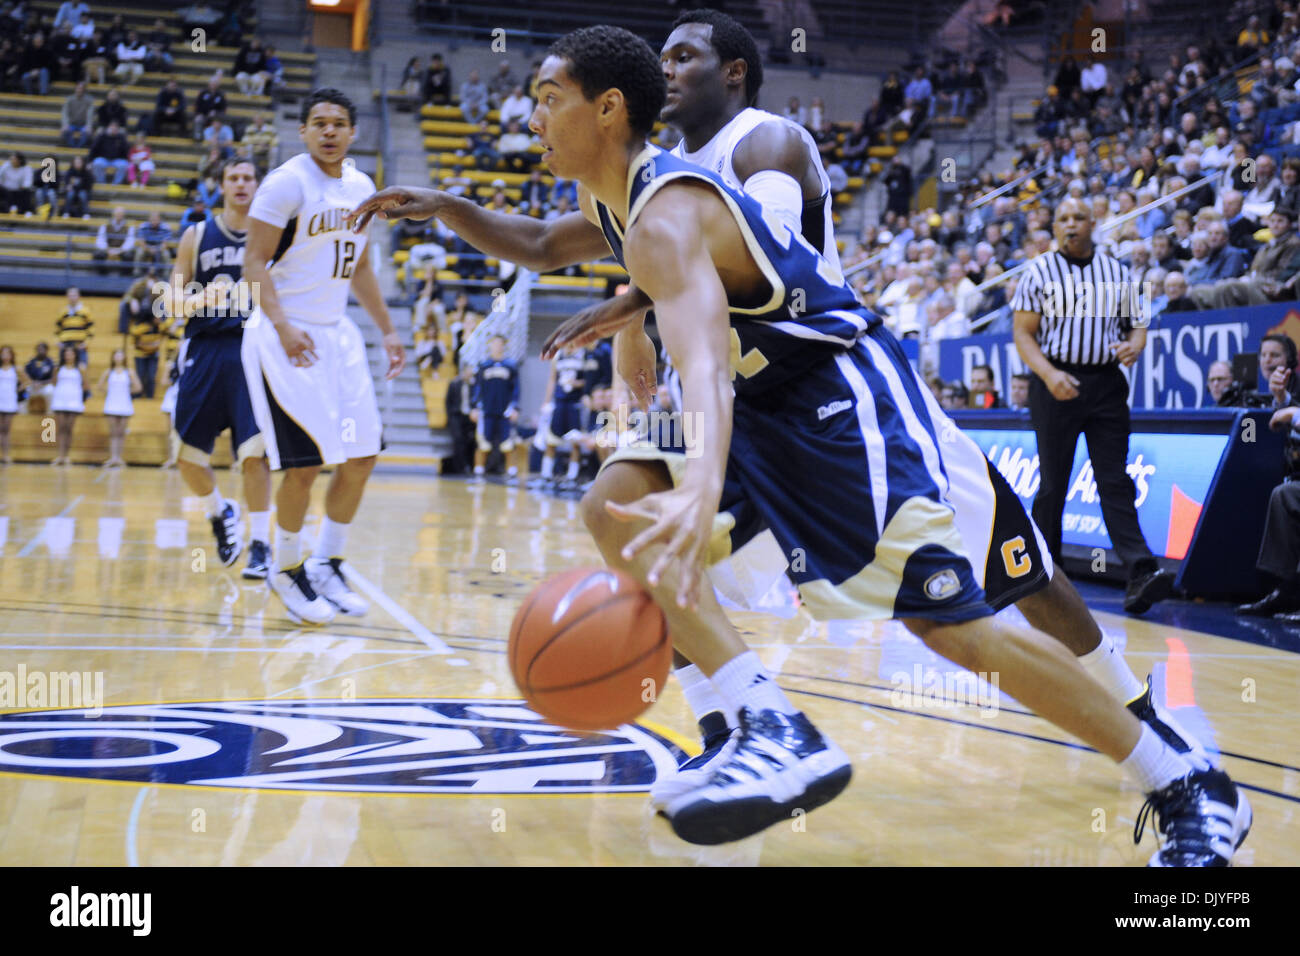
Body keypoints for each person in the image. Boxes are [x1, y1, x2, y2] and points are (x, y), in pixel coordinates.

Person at [349, 24, 1247, 864]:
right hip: (758, 394)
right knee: (613, 503)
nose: (530, 116)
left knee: (951, 625)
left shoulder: (671, 209)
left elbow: (700, 364)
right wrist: (448, 206)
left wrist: (700, 483)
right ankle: (758, 722)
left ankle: (1185, 779)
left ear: (608, 109)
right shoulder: (615, 192)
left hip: (831, 394)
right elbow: (543, 243)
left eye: (547, 97)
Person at [242, 89, 406, 623]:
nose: (329, 131)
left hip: (339, 334)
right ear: (303, 131)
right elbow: (254, 262)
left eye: (339, 123)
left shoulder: (362, 188)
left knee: (362, 456)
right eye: (319, 123)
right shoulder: (286, 183)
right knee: (306, 463)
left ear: (353, 132)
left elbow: (359, 269)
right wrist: (284, 326)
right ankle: (285, 568)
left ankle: (326, 563)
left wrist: (387, 331)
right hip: (284, 333)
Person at [1012, 197, 1176, 614]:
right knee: (1053, 483)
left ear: (1093, 223)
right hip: (1055, 381)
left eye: (1078, 218)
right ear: (1055, 226)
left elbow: (1138, 323)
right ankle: (1046, 575)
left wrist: (1134, 346)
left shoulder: (1116, 271)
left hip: (1105, 383)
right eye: (1063, 218)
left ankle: (1141, 571)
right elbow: (1023, 334)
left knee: (1114, 479)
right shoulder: (1039, 271)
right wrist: (1049, 375)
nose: (1071, 224)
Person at [165, 158, 274, 579]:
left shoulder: (273, 235)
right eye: (234, 178)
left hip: (253, 348)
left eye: (249, 178)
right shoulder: (196, 235)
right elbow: (170, 302)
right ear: (221, 185)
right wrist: (201, 300)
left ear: (258, 185)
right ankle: (219, 511)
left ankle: (261, 544)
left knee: (255, 453)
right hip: (205, 346)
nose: (242, 184)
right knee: (187, 456)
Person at [1236, 404, 1300, 619]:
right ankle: (1286, 590)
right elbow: (1253, 429)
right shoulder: (1252, 417)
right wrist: (1282, 399)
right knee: (1284, 495)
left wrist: (1294, 414)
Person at [470, 334, 523, 484]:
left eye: (500, 343)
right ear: (490, 345)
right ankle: (478, 472)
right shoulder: (484, 365)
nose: (497, 346)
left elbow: (516, 389)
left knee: (507, 443)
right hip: (486, 411)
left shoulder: (511, 366)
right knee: (483, 442)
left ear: (504, 346)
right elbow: (477, 388)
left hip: (505, 411)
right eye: (494, 343)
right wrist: (474, 407)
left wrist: (515, 408)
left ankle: (512, 473)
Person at [534, 345, 588, 489]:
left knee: (575, 440)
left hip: (575, 402)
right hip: (559, 402)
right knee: (551, 439)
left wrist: (577, 384)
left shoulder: (583, 354)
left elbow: (588, 379)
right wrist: (546, 401)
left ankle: (571, 477)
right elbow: (552, 380)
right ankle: (546, 475)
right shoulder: (558, 356)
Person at [96, 348, 141, 468]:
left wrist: (125, 392)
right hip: (111, 403)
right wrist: (111, 392)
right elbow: (99, 386)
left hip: (124, 403)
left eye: (121, 355)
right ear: (113, 357)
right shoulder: (108, 372)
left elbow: (138, 387)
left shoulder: (129, 372)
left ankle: (119, 458)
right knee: (113, 432)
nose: (118, 357)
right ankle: (112, 457)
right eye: (116, 355)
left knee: (121, 432)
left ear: (124, 358)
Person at [49, 345, 85, 466]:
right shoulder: (58, 368)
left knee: (69, 428)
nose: (68, 355)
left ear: (75, 355)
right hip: (60, 399)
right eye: (66, 353)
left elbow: (86, 385)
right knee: (61, 428)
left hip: (73, 400)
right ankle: (60, 455)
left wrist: (76, 393)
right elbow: (53, 383)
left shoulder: (80, 368)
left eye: (71, 353)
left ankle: (67, 456)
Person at [0, 345, 24, 464]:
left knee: (6, 429)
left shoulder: (16, 369)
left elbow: (26, 382)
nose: (5, 356)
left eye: (7, 353)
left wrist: (17, 390)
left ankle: (6, 455)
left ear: (11, 355)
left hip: (9, 401)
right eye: (3, 353)